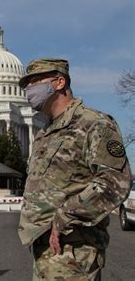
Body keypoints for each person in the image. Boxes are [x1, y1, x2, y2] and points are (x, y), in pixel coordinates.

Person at [18, 58, 132, 280]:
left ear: (59, 82)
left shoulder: (94, 123)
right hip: (46, 248)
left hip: (75, 249)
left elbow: (115, 182)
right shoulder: (45, 133)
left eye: (35, 82)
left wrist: (65, 217)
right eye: (27, 85)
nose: (29, 90)